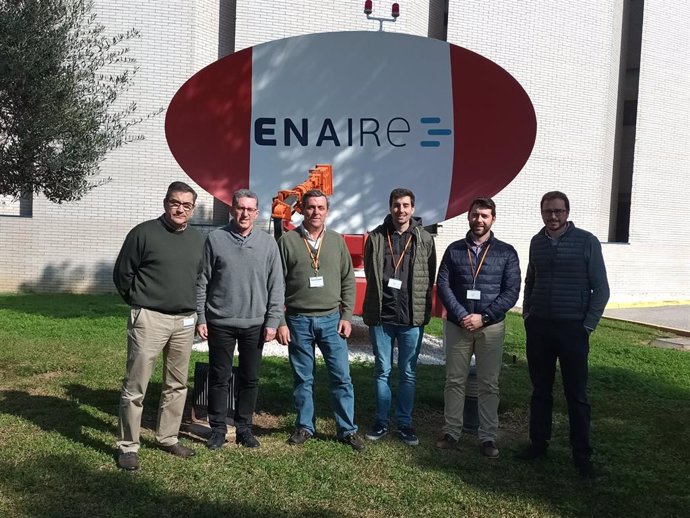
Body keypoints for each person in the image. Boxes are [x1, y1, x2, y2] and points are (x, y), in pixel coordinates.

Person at [113, 181, 204, 471]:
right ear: (166, 203)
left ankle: (167, 437)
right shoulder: (143, 233)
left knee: (176, 384)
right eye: (175, 203)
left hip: (184, 320)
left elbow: (201, 277)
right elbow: (122, 274)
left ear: (192, 209)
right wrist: (139, 301)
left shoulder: (198, 239)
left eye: (186, 205)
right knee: (136, 384)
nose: (180, 209)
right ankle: (128, 445)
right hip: (149, 318)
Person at [518, 191, 610, 479]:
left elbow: (601, 289)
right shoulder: (537, 242)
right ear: (542, 212)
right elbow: (530, 279)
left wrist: (587, 326)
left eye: (558, 211)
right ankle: (538, 443)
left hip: (573, 329)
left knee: (576, 395)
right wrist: (527, 314)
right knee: (541, 391)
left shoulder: (587, 241)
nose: (553, 216)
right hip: (540, 327)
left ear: (567, 212)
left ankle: (581, 454)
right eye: (547, 211)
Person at [276, 189, 365, 451]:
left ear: (327, 211)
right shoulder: (288, 241)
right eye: (311, 207)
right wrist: (280, 321)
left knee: (341, 377)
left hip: (331, 320)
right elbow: (276, 284)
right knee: (303, 378)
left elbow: (348, 280)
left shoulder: (337, 242)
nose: (316, 212)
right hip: (298, 320)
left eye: (321, 208)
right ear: (301, 210)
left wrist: (347, 315)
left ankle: (347, 429)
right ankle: (305, 426)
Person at [196, 189, 284, 450]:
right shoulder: (215, 239)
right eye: (240, 208)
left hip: (254, 324)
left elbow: (276, 285)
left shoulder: (268, 244)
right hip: (220, 321)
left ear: (256, 213)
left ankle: (245, 428)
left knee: (250, 378)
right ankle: (218, 429)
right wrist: (201, 316)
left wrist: (272, 321)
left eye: (250, 209)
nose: (244, 213)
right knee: (219, 377)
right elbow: (203, 281)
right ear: (232, 210)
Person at [436, 197, 520, 458]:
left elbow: (511, 291)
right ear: (468, 217)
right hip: (458, 325)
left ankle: (488, 437)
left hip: (490, 327)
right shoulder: (454, 250)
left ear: (493, 218)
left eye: (484, 215)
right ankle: (451, 432)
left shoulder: (506, 252)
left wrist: (483, 317)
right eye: (475, 215)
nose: (479, 220)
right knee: (454, 380)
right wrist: (462, 314)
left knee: (489, 384)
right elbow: (443, 285)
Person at [362, 188, 436, 446]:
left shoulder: (424, 239)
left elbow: (430, 277)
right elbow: (371, 274)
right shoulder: (376, 237)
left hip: (410, 319)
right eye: (396, 205)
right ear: (390, 207)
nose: (401, 210)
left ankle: (404, 423)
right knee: (382, 371)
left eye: (405, 205)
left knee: (408, 373)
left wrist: (423, 310)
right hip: (383, 317)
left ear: (413, 209)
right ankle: (381, 421)